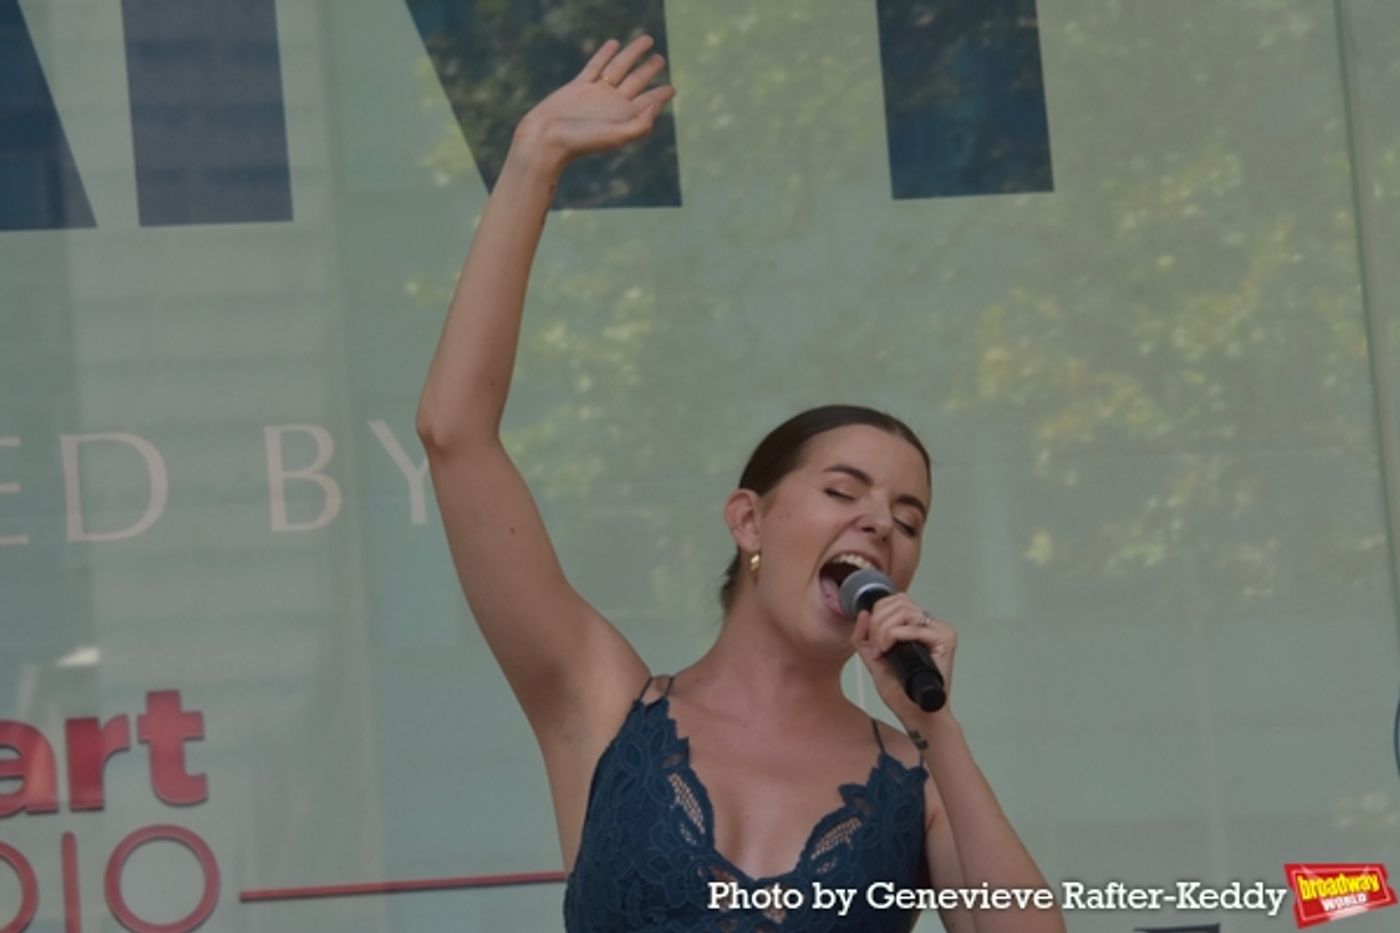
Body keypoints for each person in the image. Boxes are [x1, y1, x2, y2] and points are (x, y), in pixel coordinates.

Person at [416, 34, 1065, 933]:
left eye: (907, 517)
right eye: (844, 491)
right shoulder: (604, 703)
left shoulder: (914, 779)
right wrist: (533, 159)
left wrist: (936, 726)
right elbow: (456, 438)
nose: (880, 523)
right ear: (748, 519)